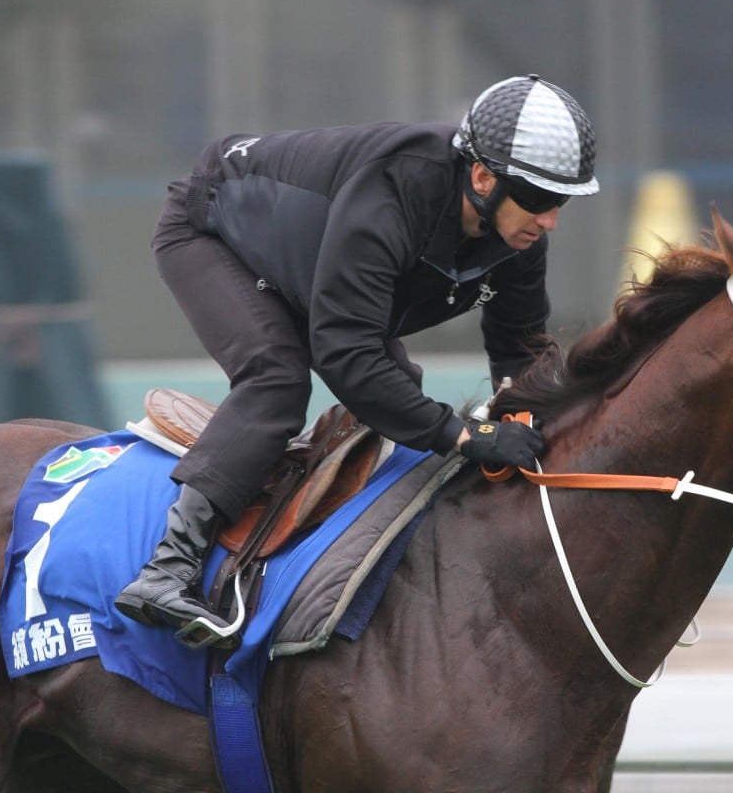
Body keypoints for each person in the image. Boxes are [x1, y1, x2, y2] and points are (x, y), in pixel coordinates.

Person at [114, 74, 599, 648]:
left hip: (310, 258)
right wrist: (466, 435)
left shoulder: (519, 238)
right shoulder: (393, 194)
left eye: (561, 202)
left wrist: (532, 425)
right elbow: (346, 355)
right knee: (277, 380)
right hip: (214, 232)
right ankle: (168, 568)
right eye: (538, 200)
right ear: (483, 178)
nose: (550, 220)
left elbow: (519, 348)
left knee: (400, 394)